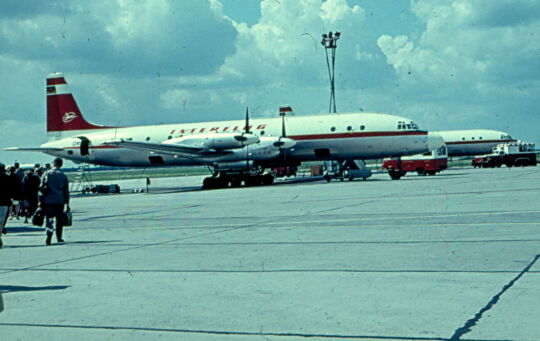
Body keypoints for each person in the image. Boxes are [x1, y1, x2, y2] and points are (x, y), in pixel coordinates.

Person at [40, 158, 70, 245]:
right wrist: (67, 203)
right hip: (60, 200)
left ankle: (49, 235)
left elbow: (41, 187)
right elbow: (66, 191)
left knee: (49, 219)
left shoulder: (47, 173)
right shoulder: (63, 175)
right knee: (59, 220)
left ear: (54, 163)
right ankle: (59, 237)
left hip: (49, 200)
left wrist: (41, 200)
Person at [0, 163, 16, 248]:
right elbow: (11, 190)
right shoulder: (7, 178)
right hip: (3, 201)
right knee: (1, 220)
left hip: (4, 200)